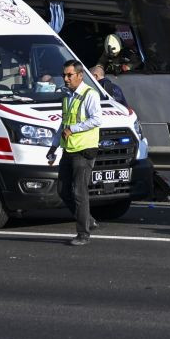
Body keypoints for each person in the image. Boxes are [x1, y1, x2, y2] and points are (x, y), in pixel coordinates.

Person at [56, 60, 102, 246]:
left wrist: (74, 129)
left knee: (79, 192)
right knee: (62, 190)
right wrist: (53, 148)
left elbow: (97, 119)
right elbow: (63, 124)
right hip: (69, 148)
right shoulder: (68, 96)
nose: (65, 79)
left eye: (69, 75)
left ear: (80, 75)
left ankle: (83, 234)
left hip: (84, 150)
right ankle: (88, 220)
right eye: (64, 75)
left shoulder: (90, 94)